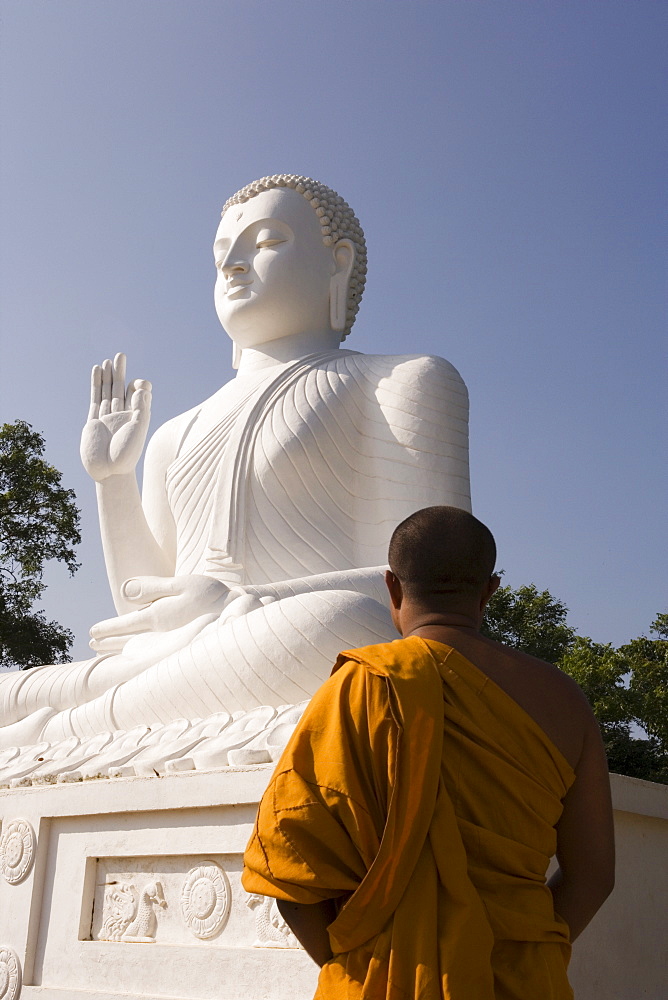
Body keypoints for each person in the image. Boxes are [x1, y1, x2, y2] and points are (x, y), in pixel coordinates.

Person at [0, 176, 470, 747]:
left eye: (266, 242)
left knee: (339, 623)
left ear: (337, 264)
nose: (234, 267)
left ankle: (64, 731)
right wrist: (113, 481)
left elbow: (432, 587)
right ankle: (82, 717)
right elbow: (138, 607)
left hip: (293, 635)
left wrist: (244, 603)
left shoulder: (400, 381)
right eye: (223, 254)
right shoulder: (176, 432)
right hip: (174, 660)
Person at [242, 505, 615, 999]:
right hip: (523, 979)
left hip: (380, 976)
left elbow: (289, 870)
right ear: (490, 590)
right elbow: (593, 876)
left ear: (391, 587)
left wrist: (361, 958)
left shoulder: (358, 686)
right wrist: (519, 941)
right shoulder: (565, 701)